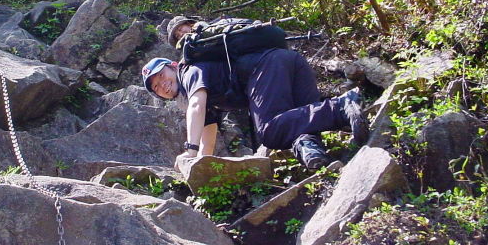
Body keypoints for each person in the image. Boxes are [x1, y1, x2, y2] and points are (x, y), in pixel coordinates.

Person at [141, 50, 369, 169]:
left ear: (172, 66)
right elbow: (207, 136)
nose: (162, 85)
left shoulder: (189, 71)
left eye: (161, 76)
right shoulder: (202, 91)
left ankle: (341, 105)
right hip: (288, 62)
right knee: (293, 121)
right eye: (156, 87)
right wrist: (199, 163)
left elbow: (196, 105)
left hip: (269, 67)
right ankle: (313, 153)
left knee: (269, 131)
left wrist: (188, 151)